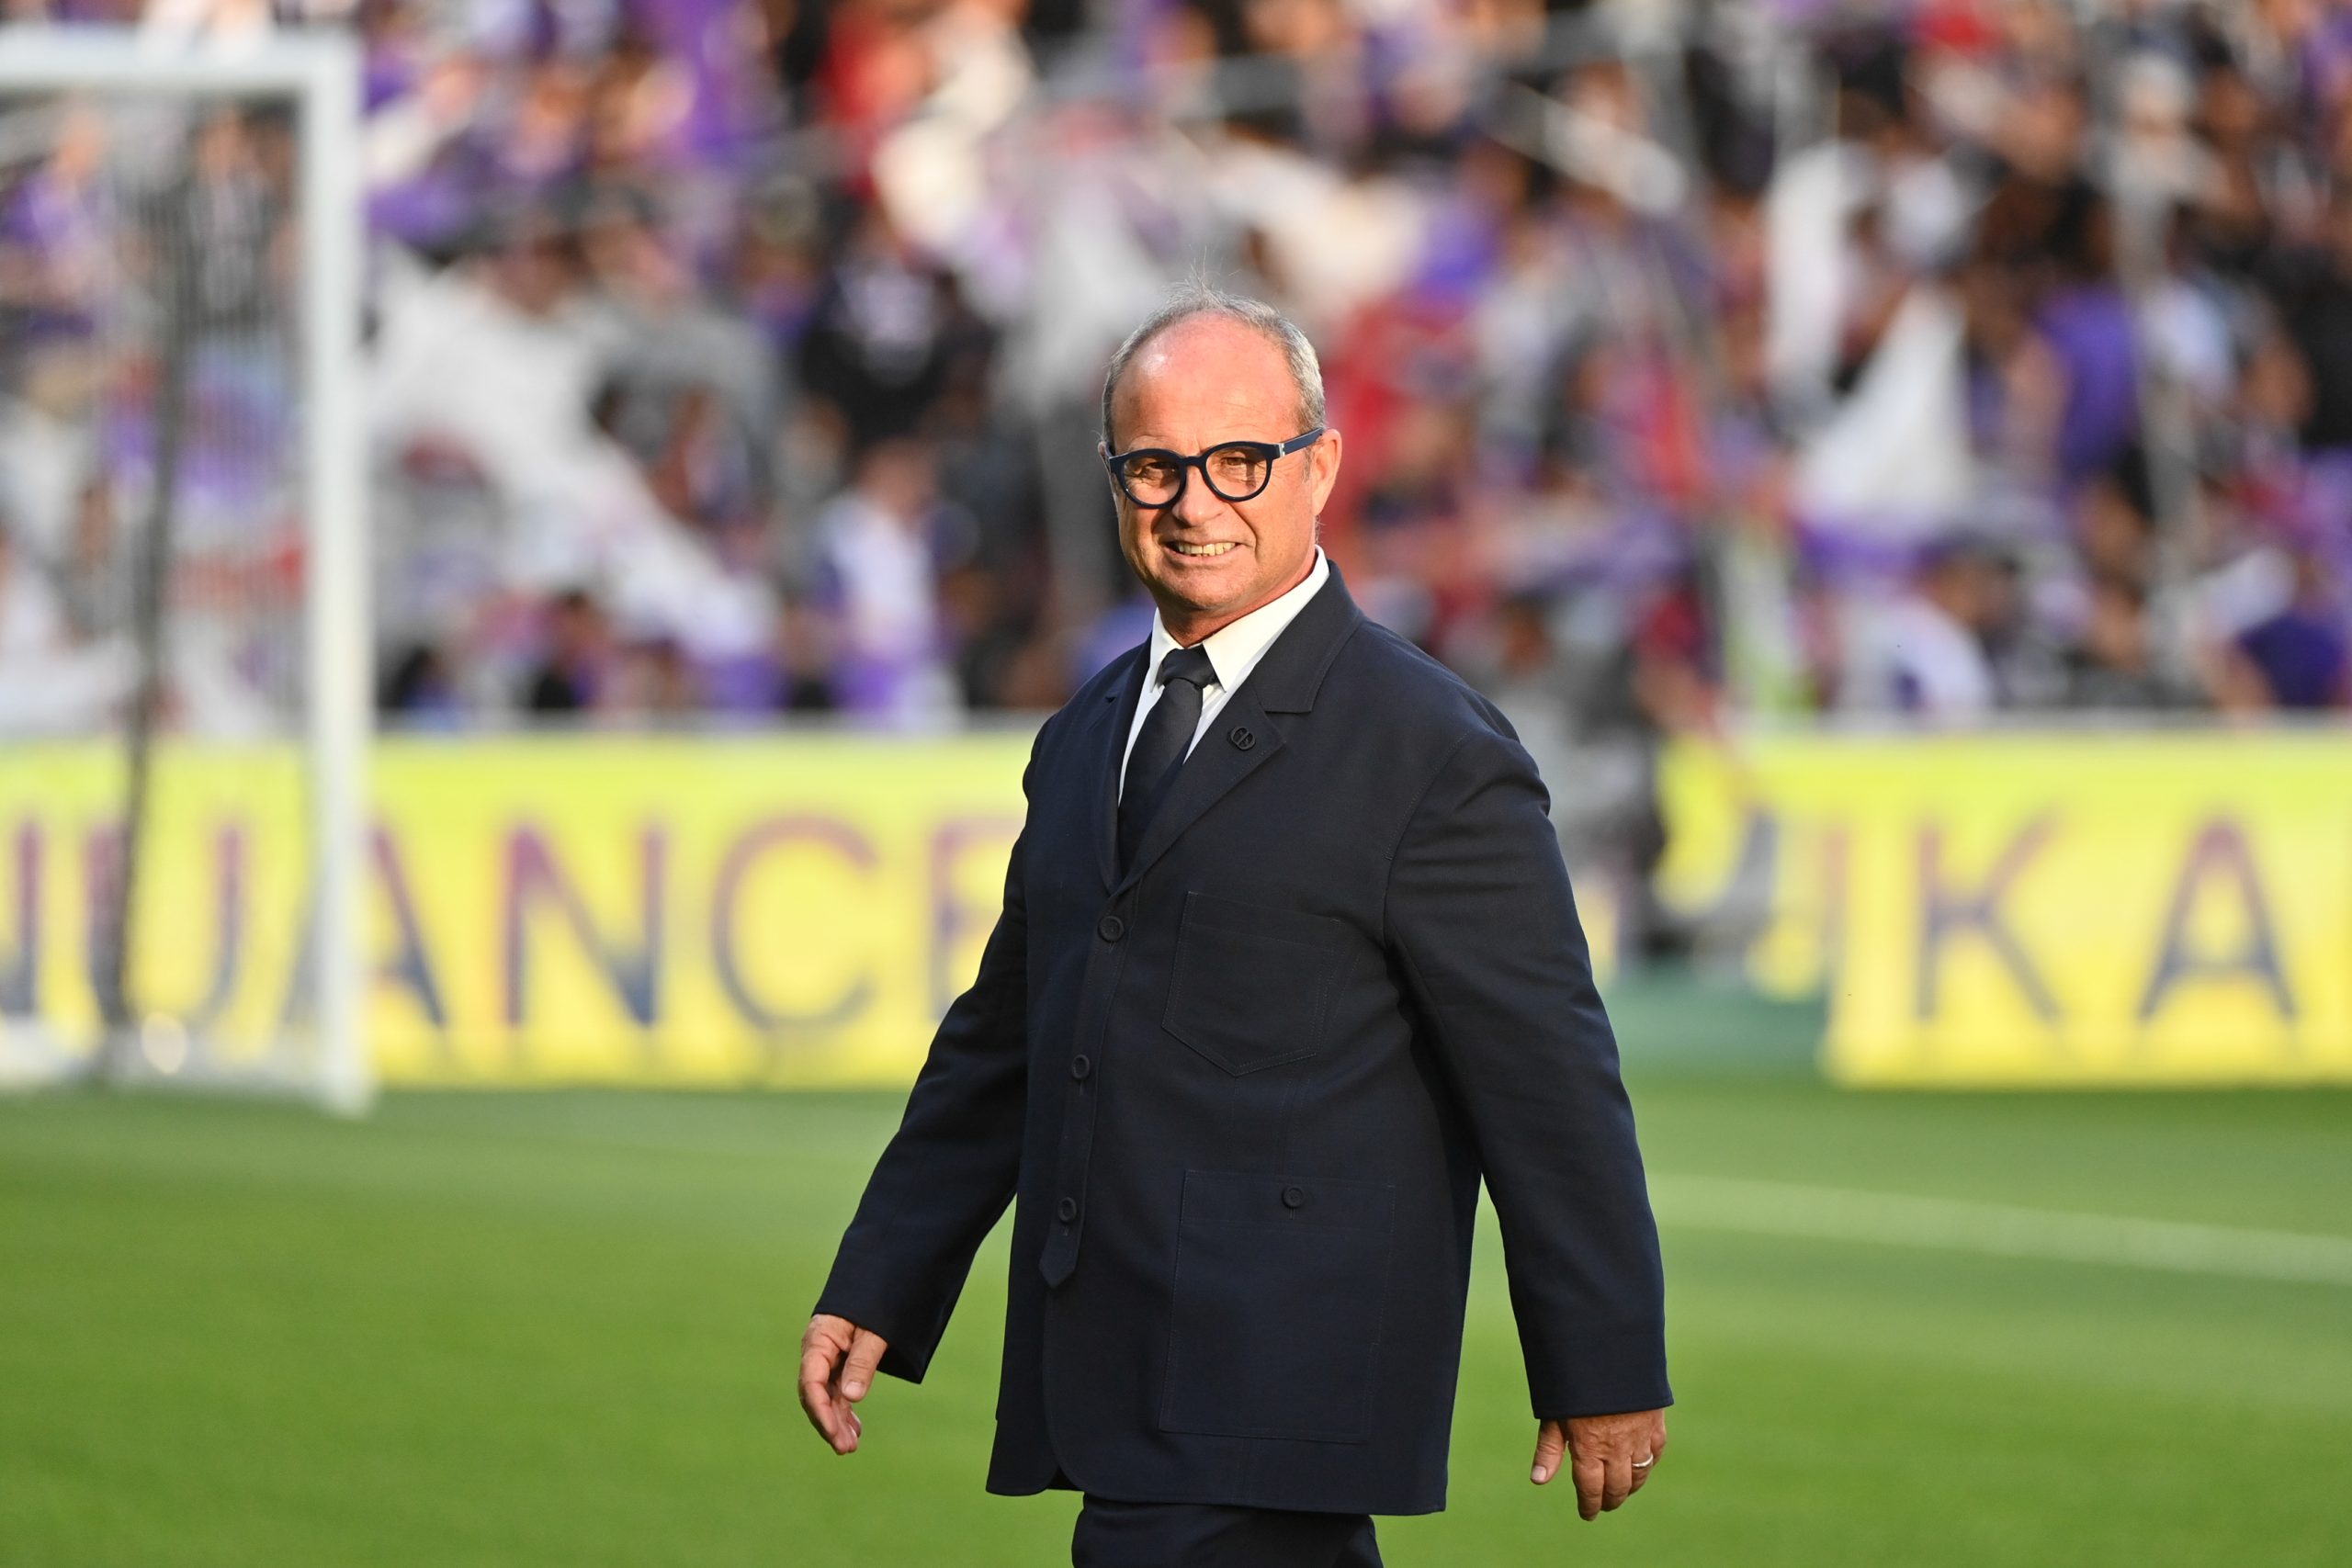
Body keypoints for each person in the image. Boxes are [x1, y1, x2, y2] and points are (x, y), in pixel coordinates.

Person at [798, 285, 1671, 1567]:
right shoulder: (1086, 732)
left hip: (1287, 1379)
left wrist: (1601, 1356)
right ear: (1114, 482)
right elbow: (1006, 1041)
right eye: (1155, 466)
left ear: (1320, 467)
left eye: (1239, 461)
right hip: (1113, 1371)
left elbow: (1547, 1078)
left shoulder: (1430, 750)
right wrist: (887, 1271)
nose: (1195, 502)